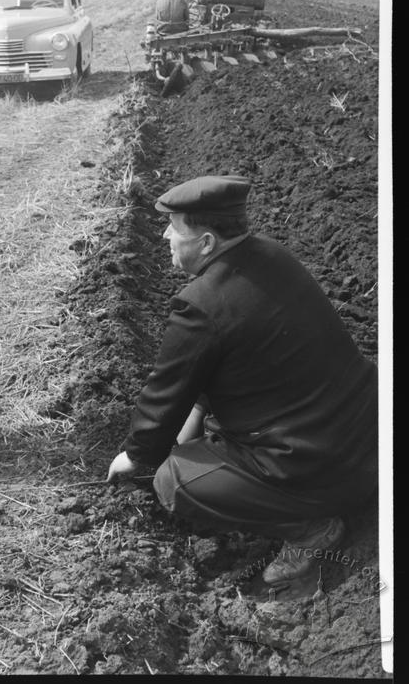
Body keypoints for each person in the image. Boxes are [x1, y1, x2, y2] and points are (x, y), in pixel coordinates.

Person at [107, 175, 378, 585]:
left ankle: (311, 531)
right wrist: (197, 411)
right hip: (369, 439)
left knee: (174, 482)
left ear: (208, 242)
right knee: (203, 437)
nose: (165, 234)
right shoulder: (272, 256)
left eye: (175, 227)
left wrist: (137, 455)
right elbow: (232, 359)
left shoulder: (200, 305)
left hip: (322, 469)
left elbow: (164, 394)